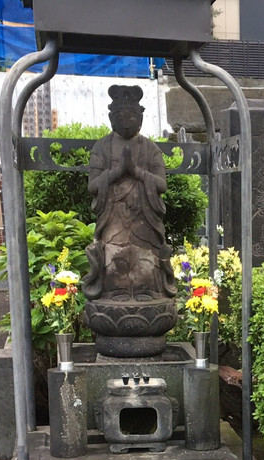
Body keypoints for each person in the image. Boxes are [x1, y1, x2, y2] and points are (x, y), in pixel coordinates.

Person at [83, 84, 175, 302]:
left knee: (146, 258)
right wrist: (116, 172)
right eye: (121, 116)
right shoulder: (102, 148)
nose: (126, 122)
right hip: (113, 215)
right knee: (115, 257)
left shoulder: (151, 149)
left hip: (143, 216)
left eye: (131, 116)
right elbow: (92, 186)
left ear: (140, 119)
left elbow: (161, 185)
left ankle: (148, 291)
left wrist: (136, 172)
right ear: (112, 119)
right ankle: (115, 292)